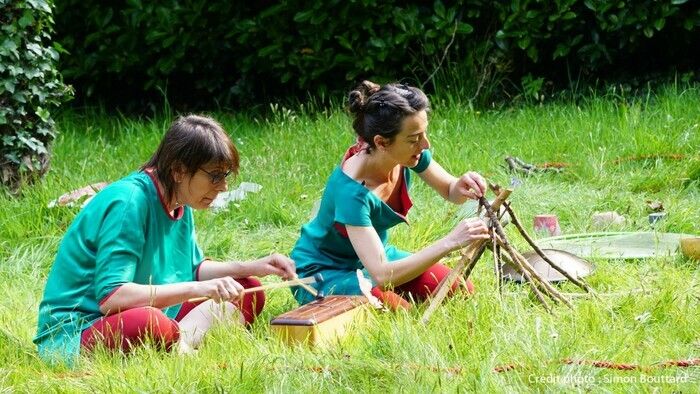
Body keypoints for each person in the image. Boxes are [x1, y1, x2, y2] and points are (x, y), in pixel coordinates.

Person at [34, 115, 296, 364]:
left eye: (225, 176)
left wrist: (255, 266)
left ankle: (176, 343)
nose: (223, 186)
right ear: (179, 170)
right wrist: (199, 289)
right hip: (81, 328)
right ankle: (176, 341)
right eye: (215, 175)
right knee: (150, 323)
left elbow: (194, 270)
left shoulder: (180, 200)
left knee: (247, 288)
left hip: (154, 311)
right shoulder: (128, 203)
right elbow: (112, 298)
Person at [290, 81, 490, 308]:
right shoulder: (352, 192)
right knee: (398, 310)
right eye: (414, 139)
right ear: (382, 142)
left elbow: (450, 190)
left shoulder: (407, 154)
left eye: (424, 134)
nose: (425, 144)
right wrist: (451, 241)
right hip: (324, 272)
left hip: (373, 259)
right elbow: (383, 275)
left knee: (457, 288)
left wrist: (461, 185)